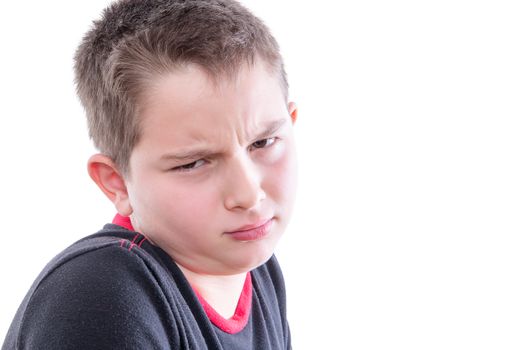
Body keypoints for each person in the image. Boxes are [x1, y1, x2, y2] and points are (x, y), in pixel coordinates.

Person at [2, 0, 298, 349]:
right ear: (116, 182)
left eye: (264, 142)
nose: (248, 194)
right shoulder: (103, 294)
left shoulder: (254, 267)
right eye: (193, 163)